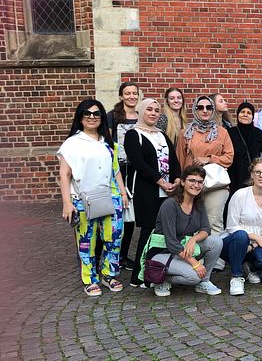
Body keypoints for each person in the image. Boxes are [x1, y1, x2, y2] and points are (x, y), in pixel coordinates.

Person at [58, 99, 128, 296]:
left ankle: (108, 274)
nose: (92, 117)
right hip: (83, 199)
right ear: (80, 117)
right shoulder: (72, 143)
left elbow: (116, 171)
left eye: (96, 113)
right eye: (87, 113)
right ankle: (89, 278)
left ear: (101, 118)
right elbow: (64, 174)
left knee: (114, 238)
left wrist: (123, 193)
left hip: (111, 197)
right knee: (87, 241)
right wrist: (66, 203)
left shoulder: (108, 143)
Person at [140, 165, 223, 297]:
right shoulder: (170, 205)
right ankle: (162, 279)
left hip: (181, 249)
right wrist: (195, 263)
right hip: (162, 252)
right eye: (192, 181)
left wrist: (193, 239)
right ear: (183, 182)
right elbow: (171, 242)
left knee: (216, 241)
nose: (196, 185)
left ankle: (204, 281)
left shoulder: (198, 203)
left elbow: (206, 229)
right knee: (194, 276)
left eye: (200, 182)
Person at [123, 98, 181, 287]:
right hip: (147, 191)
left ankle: (157, 270)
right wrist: (161, 182)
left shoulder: (162, 135)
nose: (153, 113)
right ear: (140, 111)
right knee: (148, 231)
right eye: (149, 109)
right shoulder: (133, 135)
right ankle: (139, 276)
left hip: (168, 191)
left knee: (163, 232)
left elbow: (173, 160)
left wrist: (177, 180)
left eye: (157, 110)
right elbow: (139, 164)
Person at [221, 158, 262, 296]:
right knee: (241, 235)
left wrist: (255, 243)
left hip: (260, 240)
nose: (261, 176)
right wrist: (253, 237)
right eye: (258, 172)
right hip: (236, 239)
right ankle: (236, 276)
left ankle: (249, 266)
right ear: (252, 175)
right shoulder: (240, 194)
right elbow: (231, 226)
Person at [176, 96, 235, 234]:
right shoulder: (185, 133)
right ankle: (194, 253)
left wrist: (209, 159)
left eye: (208, 107)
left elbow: (229, 157)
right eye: (200, 107)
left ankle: (214, 253)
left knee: (213, 222)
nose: (205, 110)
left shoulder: (222, 132)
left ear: (213, 110)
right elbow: (180, 160)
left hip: (216, 184)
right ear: (195, 110)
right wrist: (180, 181)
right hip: (192, 183)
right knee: (191, 222)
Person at [106, 81, 139, 270]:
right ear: (121, 96)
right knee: (116, 213)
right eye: (127, 93)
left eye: (134, 93)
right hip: (119, 169)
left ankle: (124, 256)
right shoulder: (112, 117)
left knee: (131, 217)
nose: (131, 96)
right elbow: (109, 143)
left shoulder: (141, 116)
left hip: (136, 171)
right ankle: (108, 255)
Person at [227, 102, 262, 197]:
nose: (245, 114)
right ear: (238, 114)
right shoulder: (230, 132)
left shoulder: (258, 133)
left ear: (252, 117)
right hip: (235, 174)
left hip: (253, 175)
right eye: (242, 112)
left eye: (249, 112)